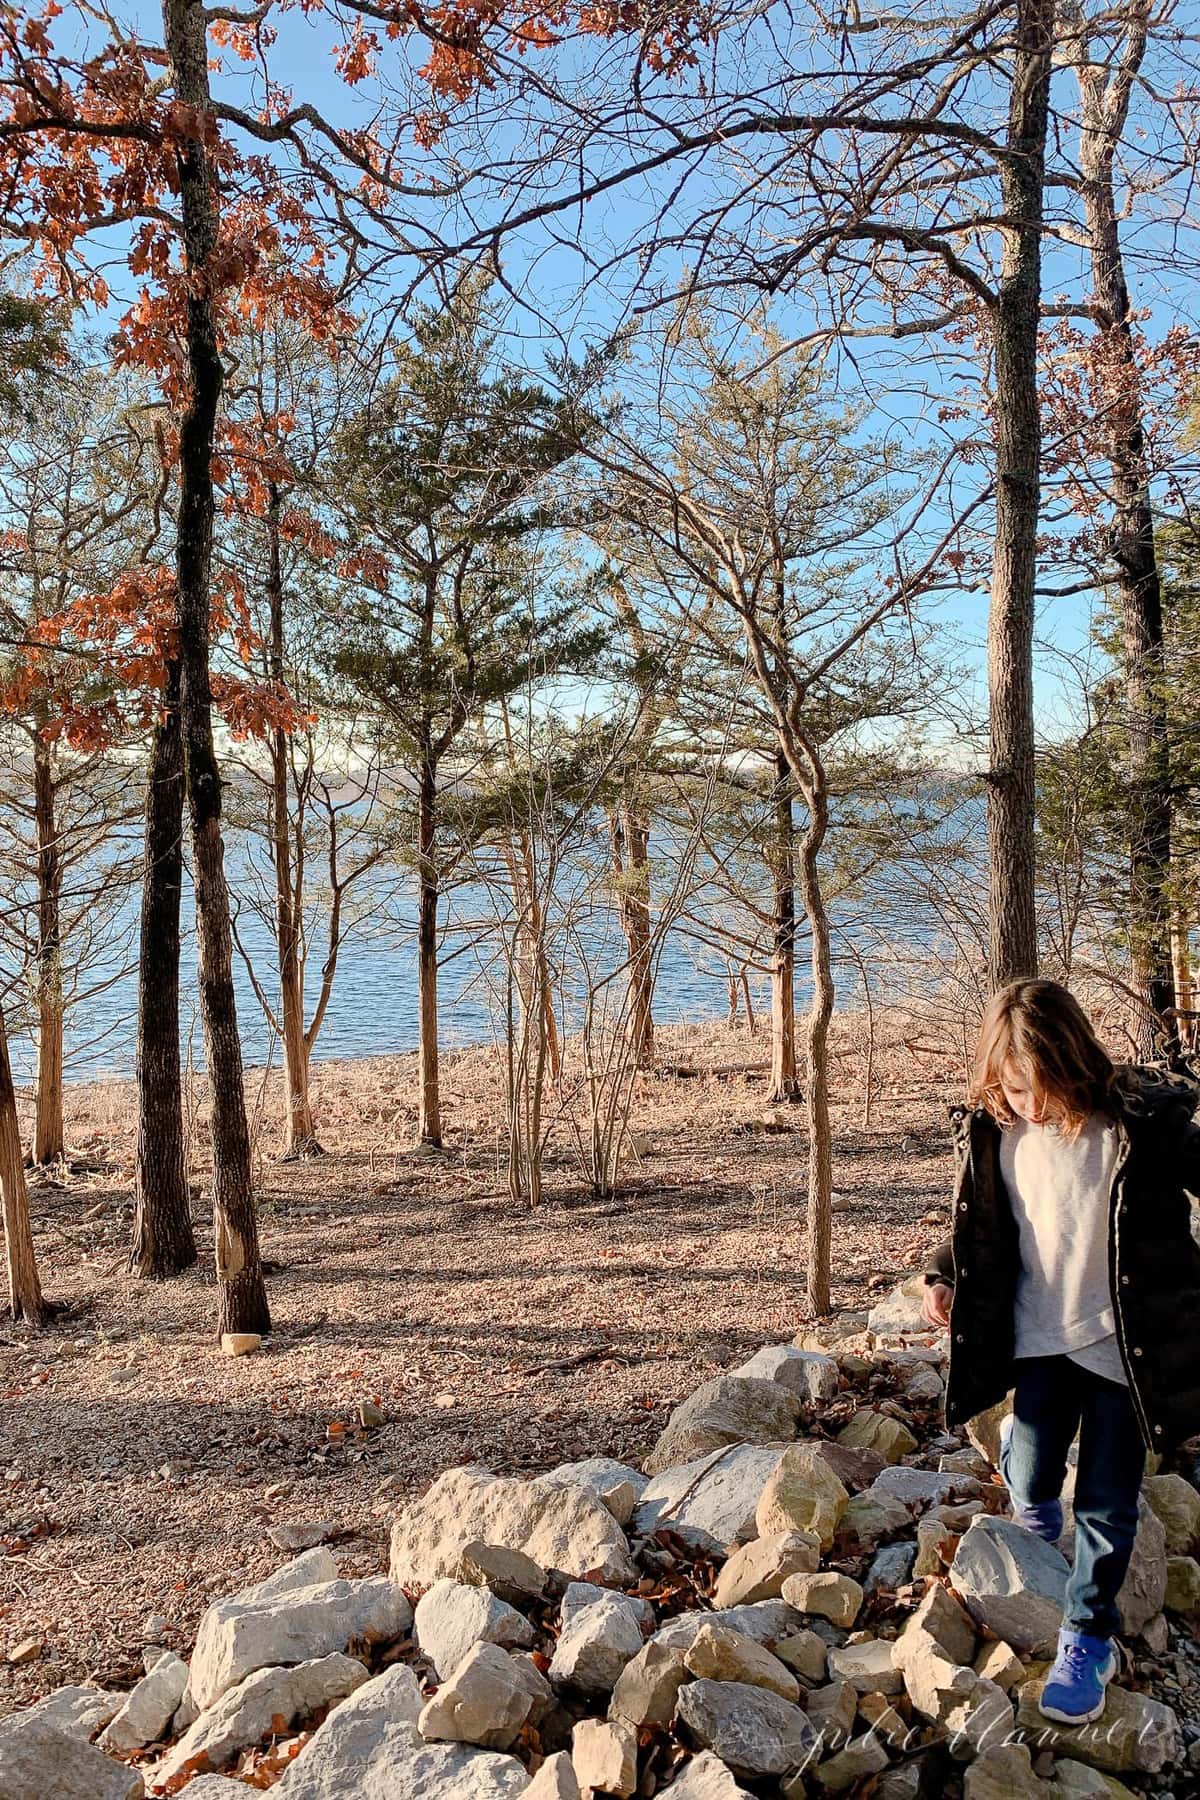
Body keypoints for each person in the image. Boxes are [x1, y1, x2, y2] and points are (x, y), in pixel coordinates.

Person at [920, 978, 1200, 1725]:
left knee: (1107, 1502)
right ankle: (1027, 1478)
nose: (1032, 1106)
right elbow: (981, 1221)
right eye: (1015, 1089)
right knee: (1039, 1473)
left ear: (1074, 1060)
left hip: (1122, 1349)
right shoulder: (996, 1132)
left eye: (1043, 1088)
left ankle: (1088, 1634)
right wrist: (944, 1273)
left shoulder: (1138, 1126)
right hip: (1038, 1338)